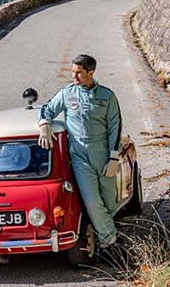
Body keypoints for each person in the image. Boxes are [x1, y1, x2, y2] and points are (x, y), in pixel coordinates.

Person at [37, 54, 122, 248]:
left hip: (102, 154)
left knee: (109, 202)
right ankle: (111, 242)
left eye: (79, 73)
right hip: (79, 155)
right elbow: (47, 109)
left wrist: (113, 157)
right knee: (92, 201)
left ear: (90, 73)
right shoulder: (68, 93)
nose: (74, 77)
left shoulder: (107, 96)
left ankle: (103, 237)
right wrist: (44, 125)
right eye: (72, 72)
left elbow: (115, 127)